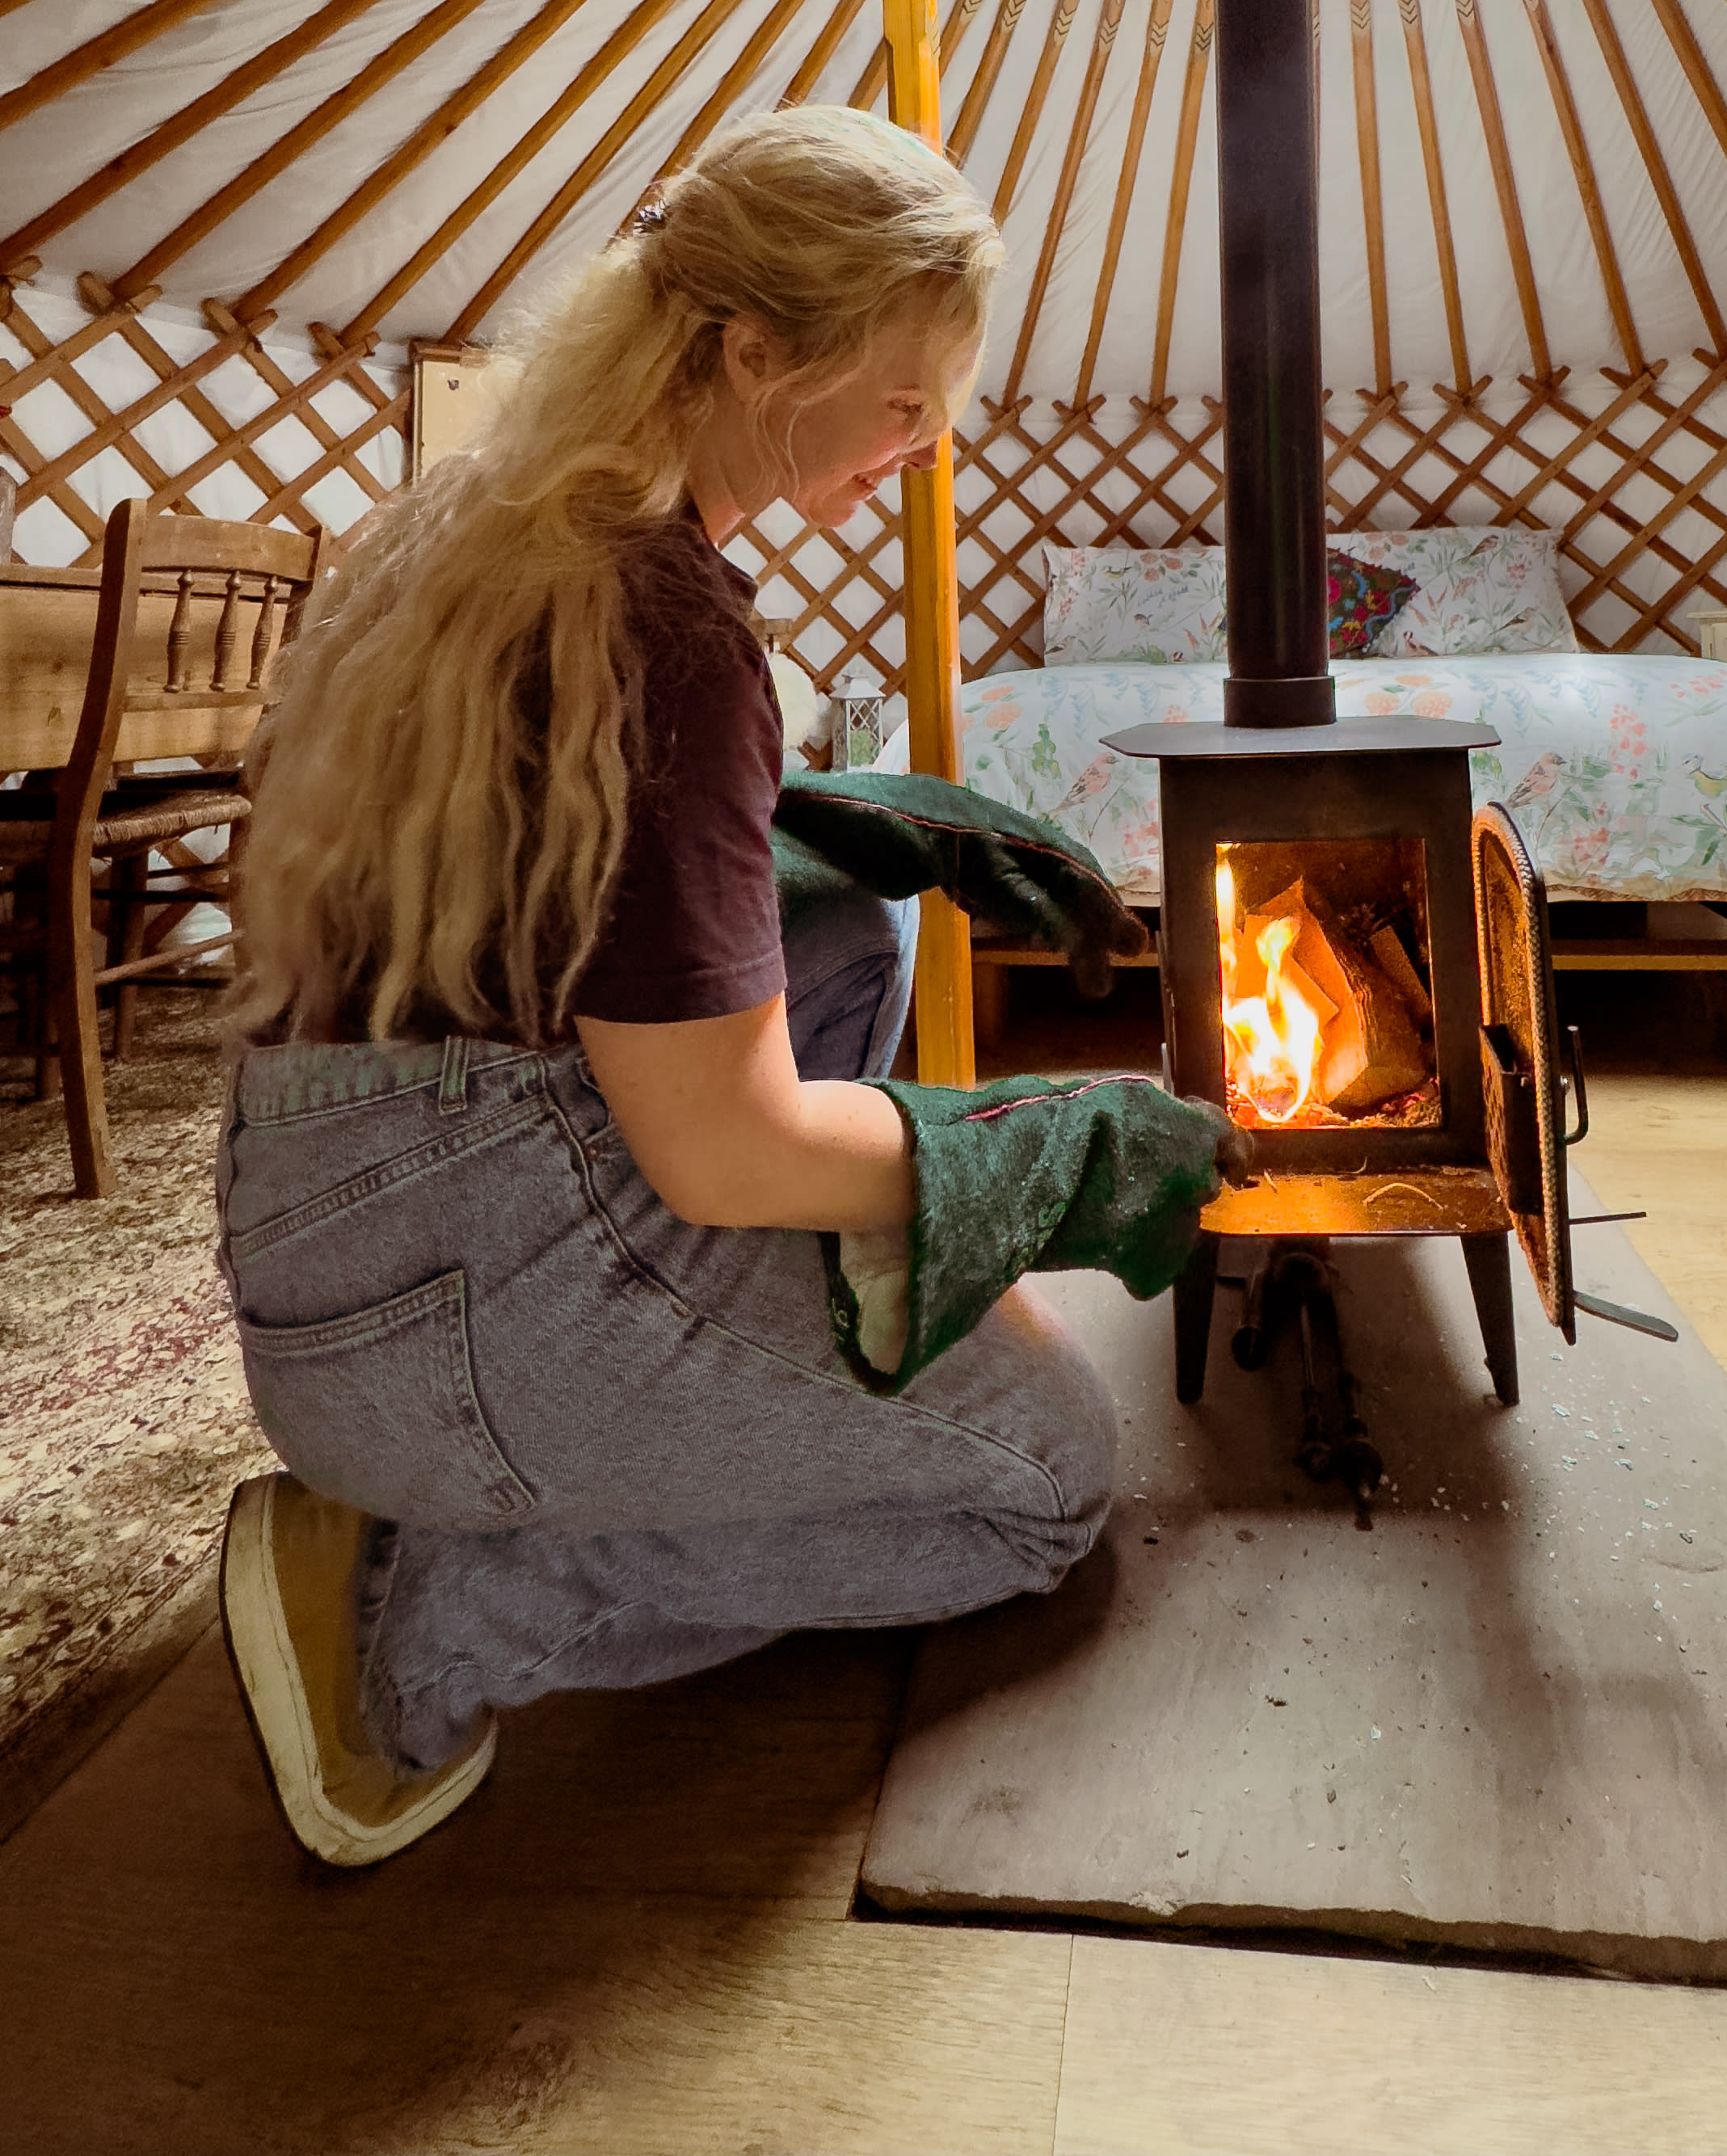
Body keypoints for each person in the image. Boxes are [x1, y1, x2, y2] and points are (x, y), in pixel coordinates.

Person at [215, 109, 1222, 1868]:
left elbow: (557, 876)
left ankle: (628, 1404)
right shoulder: (670, 622)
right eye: (904, 404)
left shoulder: (472, 524)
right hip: (460, 1323)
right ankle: (420, 1614)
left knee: (858, 922)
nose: (925, 452)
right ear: (757, 355)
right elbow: (728, 1155)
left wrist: (821, 826)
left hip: (323, 1224)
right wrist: (1031, 1153)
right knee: (1046, 1479)